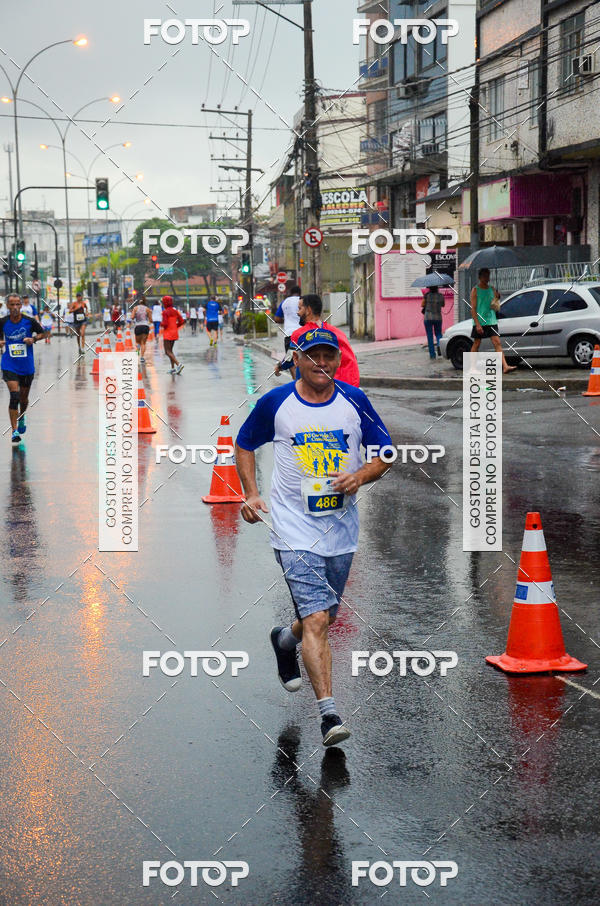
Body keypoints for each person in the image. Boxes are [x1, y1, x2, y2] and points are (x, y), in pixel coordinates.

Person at [235, 328, 391, 747]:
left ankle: (284, 641)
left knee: (321, 617)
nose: (322, 363)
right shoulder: (277, 403)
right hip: (292, 528)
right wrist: (251, 493)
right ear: (297, 360)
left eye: (329, 355)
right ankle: (329, 715)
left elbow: (385, 453)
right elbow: (245, 442)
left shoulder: (355, 402)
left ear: (338, 361)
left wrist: (359, 475)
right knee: (319, 620)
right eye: (313, 356)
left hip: (341, 530)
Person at [276, 294, 360, 387]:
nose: (298, 313)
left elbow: (289, 358)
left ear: (308, 310)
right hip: (339, 388)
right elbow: (350, 361)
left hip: (310, 391)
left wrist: (279, 366)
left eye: (300, 308)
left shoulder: (300, 335)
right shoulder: (337, 333)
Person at [0, 294, 45, 443]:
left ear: (21, 305)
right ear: (7, 306)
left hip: (26, 365)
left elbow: (43, 333)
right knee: (14, 396)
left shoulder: (29, 321)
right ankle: (14, 431)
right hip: (9, 364)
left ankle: (21, 416)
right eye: (12, 305)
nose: (15, 308)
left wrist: (33, 339)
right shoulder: (2, 322)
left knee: (23, 399)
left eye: (17, 304)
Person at [470, 268, 516, 374]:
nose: (487, 278)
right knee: (477, 343)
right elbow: (473, 309)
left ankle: (505, 366)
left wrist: (497, 297)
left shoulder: (492, 289)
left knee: (497, 342)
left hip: (491, 320)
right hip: (480, 321)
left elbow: (494, 303)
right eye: (485, 276)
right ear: (480, 277)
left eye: (488, 275)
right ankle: (472, 367)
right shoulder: (475, 290)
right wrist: (477, 324)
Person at [273, 285, 301, 378]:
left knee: (292, 361)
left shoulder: (284, 302)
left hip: (289, 335)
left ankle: (295, 382)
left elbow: (277, 318)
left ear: (290, 293)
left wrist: (286, 320)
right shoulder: (303, 301)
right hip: (303, 334)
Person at [161, 296, 184, 373]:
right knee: (170, 351)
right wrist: (175, 326)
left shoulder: (165, 312)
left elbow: (165, 323)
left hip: (168, 333)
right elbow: (181, 321)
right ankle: (173, 368)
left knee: (167, 351)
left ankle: (178, 364)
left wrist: (159, 324)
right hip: (174, 332)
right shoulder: (175, 311)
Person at [421, 287, 445, 360]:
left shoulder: (427, 295)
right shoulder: (441, 296)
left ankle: (432, 355)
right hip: (438, 317)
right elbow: (443, 305)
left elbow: (422, 305)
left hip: (428, 317)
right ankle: (439, 345)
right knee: (438, 333)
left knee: (430, 336)